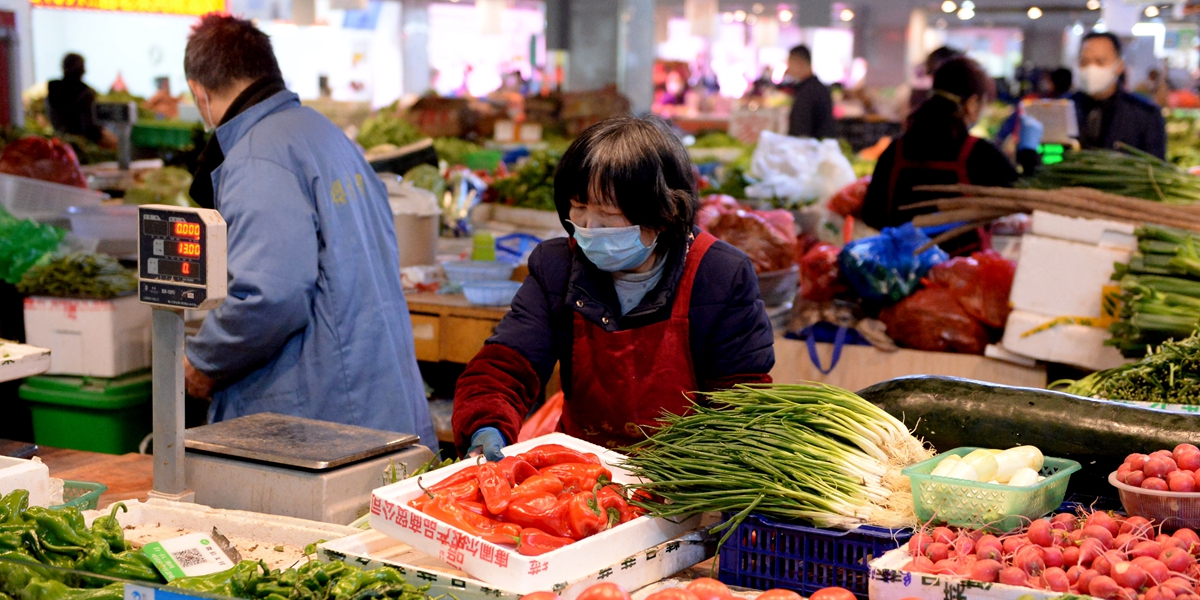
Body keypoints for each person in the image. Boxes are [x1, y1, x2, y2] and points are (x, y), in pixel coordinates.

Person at [181, 14, 436, 447]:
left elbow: (269, 295)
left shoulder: (257, 156)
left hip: (322, 416)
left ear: (199, 93)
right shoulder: (325, 134)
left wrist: (203, 361)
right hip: (376, 397)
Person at [452, 116, 775, 457]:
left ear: (665, 212)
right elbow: (506, 366)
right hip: (582, 475)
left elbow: (740, 405)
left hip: (687, 483)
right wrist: (486, 424)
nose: (588, 227)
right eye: (578, 208)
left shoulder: (721, 275)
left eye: (607, 214)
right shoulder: (557, 267)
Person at [862, 57, 1042, 237]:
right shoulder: (980, 154)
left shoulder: (895, 150)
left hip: (899, 264)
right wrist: (1028, 153)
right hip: (964, 263)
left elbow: (871, 215)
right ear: (971, 104)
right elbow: (1031, 200)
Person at [1072, 31, 1166, 158]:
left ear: (1119, 65)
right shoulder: (1064, 107)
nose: (1091, 68)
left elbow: (1155, 166)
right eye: (1084, 62)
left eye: (1100, 62)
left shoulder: (1145, 114)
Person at [45, 54, 117, 149]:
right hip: (82, 145)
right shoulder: (85, 93)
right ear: (82, 70)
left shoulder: (53, 89)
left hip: (60, 141)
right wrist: (105, 138)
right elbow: (88, 127)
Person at [783, 45, 836, 139]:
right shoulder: (817, 88)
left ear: (799, 63)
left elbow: (800, 130)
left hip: (812, 149)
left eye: (790, 63)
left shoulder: (807, 92)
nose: (788, 69)